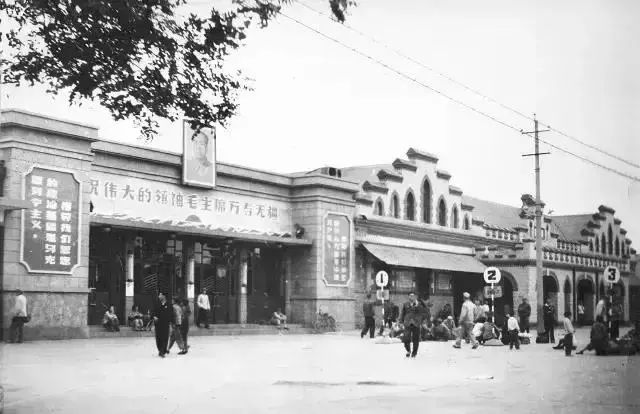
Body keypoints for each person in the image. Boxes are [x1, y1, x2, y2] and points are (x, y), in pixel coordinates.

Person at [399, 292, 427, 357]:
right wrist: (400, 322)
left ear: (415, 297)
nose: (412, 297)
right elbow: (403, 313)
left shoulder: (419, 304)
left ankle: (414, 353)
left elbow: (422, 312)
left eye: (413, 296)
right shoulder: (405, 304)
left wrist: (417, 305)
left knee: (416, 339)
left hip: (416, 323)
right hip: (407, 323)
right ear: (408, 297)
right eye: (410, 296)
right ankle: (408, 350)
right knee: (406, 338)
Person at [153, 292, 172, 358]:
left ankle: (162, 351)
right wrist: (154, 316)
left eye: (160, 295)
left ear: (164, 296)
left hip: (165, 324)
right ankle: (160, 350)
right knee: (158, 338)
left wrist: (171, 323)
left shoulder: (169, 305)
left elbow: (171, 315)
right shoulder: (157, 304)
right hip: (158, 324)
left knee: (164, 338)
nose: (159, 296)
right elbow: (153, 312)